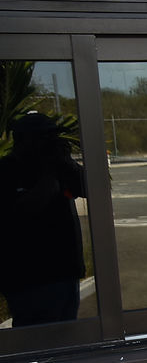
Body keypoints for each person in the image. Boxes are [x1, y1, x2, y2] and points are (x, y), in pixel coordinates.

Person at [0, 112, 87, 326]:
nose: (49, 144)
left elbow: (91, 187)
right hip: (31, 277)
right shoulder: (7, 170)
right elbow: (24, 210)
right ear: (22, 140)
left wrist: (67, 163)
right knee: (37, 341)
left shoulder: (57, 166)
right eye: (42, 138)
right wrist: (49, 174)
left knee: (65, 334)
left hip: (65, 270)